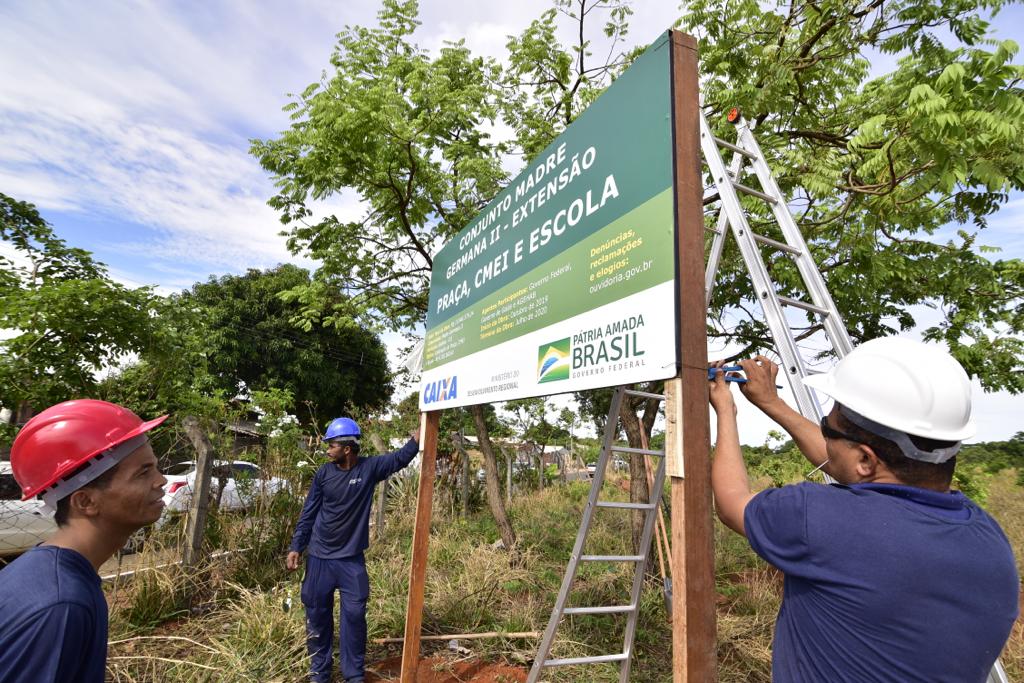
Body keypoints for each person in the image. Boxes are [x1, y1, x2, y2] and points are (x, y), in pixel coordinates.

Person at [708, 337, 1019, 683]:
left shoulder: (816, 517)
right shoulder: (988, 536)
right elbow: (844, 462)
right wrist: (772, 403)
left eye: (828, 428)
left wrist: (725, 410)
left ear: (867, 459)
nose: (824, 436)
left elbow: (732, 501)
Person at [0, 399, 168, 683]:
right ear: (86, 501)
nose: (161, 480)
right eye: (143, 472)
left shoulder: (48, 574)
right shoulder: (61, 605)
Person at [286, 417, 420, 683]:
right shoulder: (323, 474)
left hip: (351, 561)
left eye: (332, 444)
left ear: (347, 448)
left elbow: (399, 459)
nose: (327, 449)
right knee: (317, 618)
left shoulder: (369, 468)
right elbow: (309, 512)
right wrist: (296, 546)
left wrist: (417, 438)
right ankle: (320, 674)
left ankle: (353, 675)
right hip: (320, 560)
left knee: (355, 618)